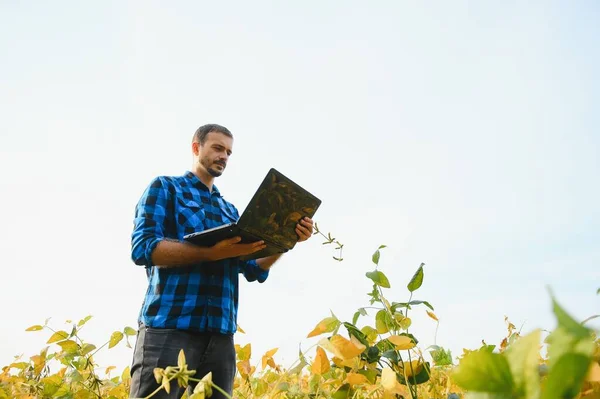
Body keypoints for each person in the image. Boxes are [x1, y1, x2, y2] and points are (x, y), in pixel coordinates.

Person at [128, 123, 314, 398]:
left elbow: (252, 268)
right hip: (169, 328)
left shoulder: (231, 212)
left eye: (228, 152)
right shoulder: (166, 188)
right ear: (196, 148)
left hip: (220, 337)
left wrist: (286, 241)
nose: (224, 156)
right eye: (217, 148)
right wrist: (209, 253)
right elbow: (143, 248)